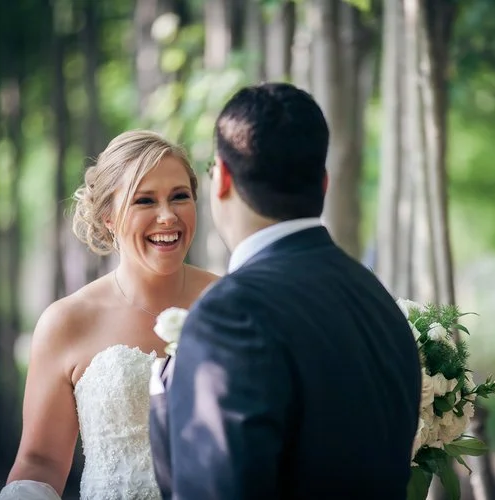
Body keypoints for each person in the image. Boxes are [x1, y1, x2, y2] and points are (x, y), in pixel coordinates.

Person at [149, 83, 422, 499]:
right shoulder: (379, 301)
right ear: (325, 182)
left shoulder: (232, 312)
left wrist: (166, 411)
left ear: (222, 177)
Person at [0, 130, 218, 500]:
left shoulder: (232, 301)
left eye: (180, 196)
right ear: (108, 217)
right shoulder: (67, 322)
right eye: (144, 201)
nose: (167, 216)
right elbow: (41, 462)